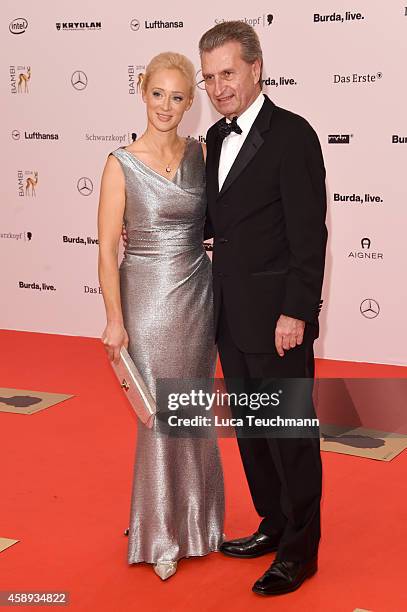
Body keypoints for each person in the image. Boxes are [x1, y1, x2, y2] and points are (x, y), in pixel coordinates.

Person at [199, 21, 327, 596]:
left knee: (290, 435)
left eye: (228, 73)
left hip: (279, 320)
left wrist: (297, 311)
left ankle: (300, 550)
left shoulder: (293, 135)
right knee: (252, 431)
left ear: (256, 67)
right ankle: (272, 525)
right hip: (230, 314)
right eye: (209, 78)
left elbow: (309, 235)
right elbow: (220, 224)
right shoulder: (215, 140)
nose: (219, 87)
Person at [97, 52, 224, 581]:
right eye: (157, 94)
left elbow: (223, 219)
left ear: (190, 103)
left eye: (177, 97)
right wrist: (114, 319)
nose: (166, 106)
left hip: (199, 293)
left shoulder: (202, 155)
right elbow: (107, 250)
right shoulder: (120, 162)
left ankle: (200, 522)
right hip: (146, 297)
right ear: (142, 92)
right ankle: (159, 533)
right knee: (159, 415)